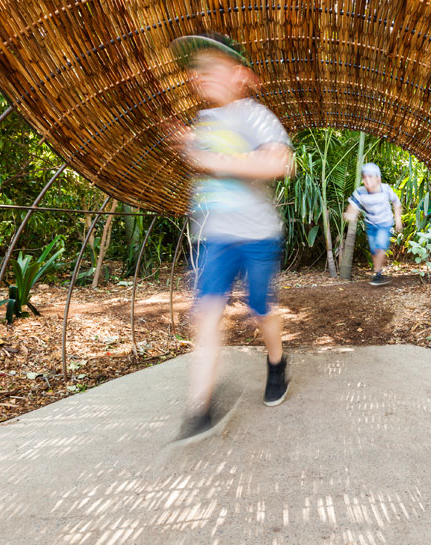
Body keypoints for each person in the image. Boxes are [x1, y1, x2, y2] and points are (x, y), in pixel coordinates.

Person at [167, 33, 295, 440]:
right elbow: (200, 163)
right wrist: (191, 148)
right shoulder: (203, 123)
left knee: (260, 308)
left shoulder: (256, 116)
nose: (200, 76)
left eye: (212, 67)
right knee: (205, 314)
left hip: (257, 235)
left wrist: (211, 158)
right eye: (197, 70)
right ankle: (199, 408)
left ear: (241, 75)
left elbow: (279, 163)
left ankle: (277, 364)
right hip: (214, 236)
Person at [344, 163, 403, 286]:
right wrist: (350, 214)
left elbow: (396, 203)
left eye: (370, 177)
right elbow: (353, 207)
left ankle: (378, 273)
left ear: (378, 178)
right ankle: (378, 273)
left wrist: (398, 219)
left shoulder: (385, 189)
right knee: (373, 249)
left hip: (385, 223)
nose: (367, 180)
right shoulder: (360, 192)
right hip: (371, 223)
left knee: (380, 246)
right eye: (364, 177)